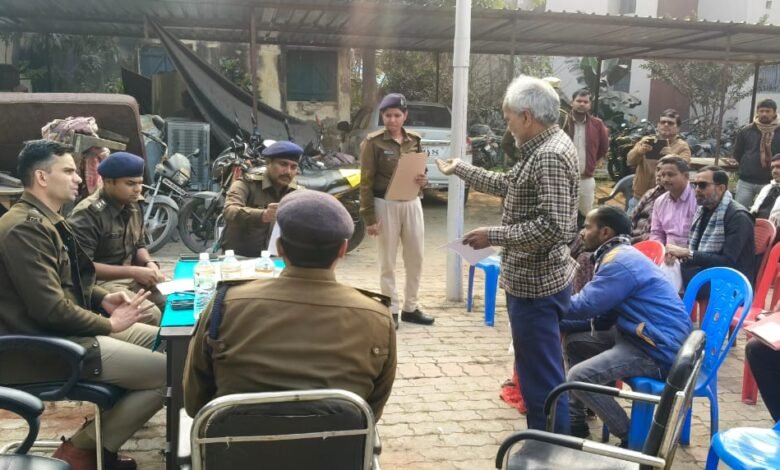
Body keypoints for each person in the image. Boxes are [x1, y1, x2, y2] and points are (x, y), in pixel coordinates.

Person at [0, 140, 165, 470]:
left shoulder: (48, 220)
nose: (79, 178)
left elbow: (69, 281)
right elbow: (51, 310)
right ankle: (82, 450)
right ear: (42, 177)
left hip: (66, 334)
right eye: (68, 171)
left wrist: (102, 297)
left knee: (168, 343)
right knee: (169, 375)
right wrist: (110, 324)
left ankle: (103, 439)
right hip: (44, 347)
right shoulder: (25, 229)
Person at [436, 75, 579, 433]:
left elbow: (554, 227)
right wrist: (461, 169)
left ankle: (549, 446)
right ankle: (547, 440)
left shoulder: (548, 155)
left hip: (537, 287)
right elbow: (508, 184)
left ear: (527, 116)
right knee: (538, 373)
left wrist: (493, 235)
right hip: (534, 281)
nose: (508, 125)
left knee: (541, 378)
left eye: (509, 118)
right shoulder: (542, 147)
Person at [184, 190, 397, 419]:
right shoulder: (377, 317)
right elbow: (371, 413)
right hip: (338, 442)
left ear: (280, 248)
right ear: (343, 249)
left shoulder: (225, 305)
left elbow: (195, 403)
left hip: (235, 441)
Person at [563, 206, 692, 443]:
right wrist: (562, 320)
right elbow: (603, 316)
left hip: (656, 348)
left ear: (605, 232)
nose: (582, 233)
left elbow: (585, 305)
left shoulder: (618, 262)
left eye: (587, 227)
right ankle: (574, 420)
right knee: (576, 342)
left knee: (578, 377)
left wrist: (544, 304)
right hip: (640, 334)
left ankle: (635, 439)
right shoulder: (620, 254)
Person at [359, 93, 433, 327]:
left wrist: (424, 180)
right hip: (385, 204)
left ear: (405, 116)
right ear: (382, 116)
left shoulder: (414, 140)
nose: (392, 120)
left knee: (415, 257)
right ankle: (390, 308)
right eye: (387, 115)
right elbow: (365, 182)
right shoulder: (373, 143)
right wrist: (369, 218)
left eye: (397, 115)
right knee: (387, 261)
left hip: (412, 202)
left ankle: (411, 307)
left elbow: (421, 170)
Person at [68, 152, 165, 322]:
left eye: (140, 183)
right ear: (108, 182)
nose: (138, 189)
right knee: (149, 314)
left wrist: (149, 263)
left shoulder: (133, 203)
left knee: (174, 301)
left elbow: (139, 244)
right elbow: (81, 267)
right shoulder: (88, 214)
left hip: (131, 275)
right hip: (99, 283)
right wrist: (133, 271)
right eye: (130, 183)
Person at [667, 166, 756, 288]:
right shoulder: (703, 211)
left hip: (729, 283)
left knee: (665, 278)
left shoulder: (738, 217)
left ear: (721, 188)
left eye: (702, 185)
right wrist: (677, 253)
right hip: (703, 272)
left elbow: (728, 262)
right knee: (665, 267)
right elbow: (696, 250)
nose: (697, 190)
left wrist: (688, 253)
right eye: (695, 185)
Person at [221, 141, 301, 257]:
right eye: (283, 164)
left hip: (277, 260)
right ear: (268, 163)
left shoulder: (297, 192)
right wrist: (263, 215)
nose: (288, 171)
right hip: (240, 258)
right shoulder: (247, 183)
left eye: (293, 167)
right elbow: (229, 210)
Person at [627, 109, 691, 213]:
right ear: (658, 125)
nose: (666, 125)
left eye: (670, 123)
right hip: (639, 197)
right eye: (663, 122)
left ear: (678, 128)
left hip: (666, 200)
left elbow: (684, 167)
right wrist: (638, 152)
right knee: (630, 223)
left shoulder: (682, 146)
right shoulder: (646, 141)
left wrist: (671, 156)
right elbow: (630, 161)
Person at [562, 88, 609, 222]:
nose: (582, 104)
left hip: (585, 178)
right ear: (572, 102)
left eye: (585, 102)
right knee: (563, 214)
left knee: (585, 216)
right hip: (563, 177)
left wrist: (592, 162)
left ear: (590, 104)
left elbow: (603, 148)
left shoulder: (597, 124)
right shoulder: (562, 122)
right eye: (579, 101)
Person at [733, 98, 780, 208]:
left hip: (771, 182)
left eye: (768, 111)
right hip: (746, 181)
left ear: (774, 112)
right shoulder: (746, 131)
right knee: (740, 210)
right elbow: (737, 153)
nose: (764, 114)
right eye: (761, 111)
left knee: (767, 212)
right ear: (757, 112)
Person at [630, 166, 666, 243]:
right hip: (633, 234)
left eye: (664, 172)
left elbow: (650, 234)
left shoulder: (671, 199)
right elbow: (633, 215)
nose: (659, 174)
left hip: (648, 240)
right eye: (658, 170)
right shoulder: (650, 193)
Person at [750, 153, 780, 227]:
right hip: (757, 227)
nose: (774, 171)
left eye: (778, 167)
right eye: (772, 167)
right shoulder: (766, 188)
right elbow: (754, 210)